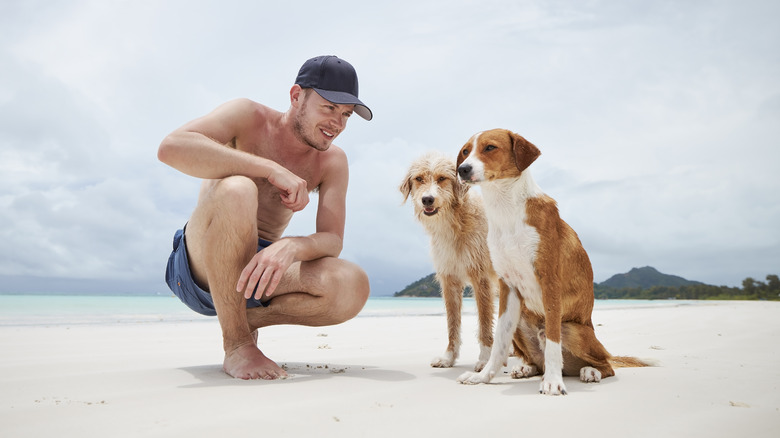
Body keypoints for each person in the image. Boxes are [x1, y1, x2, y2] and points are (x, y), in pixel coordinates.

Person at [158, 55, 373, 380]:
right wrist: (270, 169)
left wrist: (292, 246)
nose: (337, 123)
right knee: (239, 189)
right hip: (198, 265)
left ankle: (241, 321)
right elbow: (171, 147)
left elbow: (332, 240)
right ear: (296, 96)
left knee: (352, 283)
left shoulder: (332, 161)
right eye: (329, 107)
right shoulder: (247, 115)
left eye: (345, 114)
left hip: (258, 274)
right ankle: (237, 345)